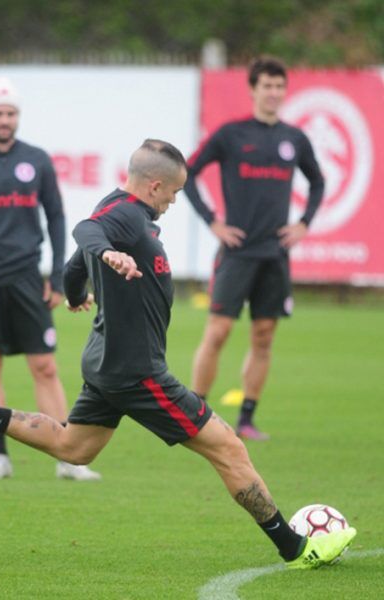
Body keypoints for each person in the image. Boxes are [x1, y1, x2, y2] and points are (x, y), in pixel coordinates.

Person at [0, 139, 354, 569]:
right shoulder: (123, 214)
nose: (175, 202)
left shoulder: (123, 210)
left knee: (74, 448)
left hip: (108, 361)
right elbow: (84, 233)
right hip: (138, 371)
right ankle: (295, 548)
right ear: (154, 186)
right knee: (228, 448)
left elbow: (72, 266)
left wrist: (74, 293)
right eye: (176, 193)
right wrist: (107, 254)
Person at [0, 76, 100, 481]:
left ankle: (68, 458)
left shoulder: (37, 160)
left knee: (44, 366)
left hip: (28, 277)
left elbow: (58, 218)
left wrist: (61, 276)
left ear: (18, 115)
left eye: (11, 112)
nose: (5, 119)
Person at [184, 56, 325, 440]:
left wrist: (304, 223)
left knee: (263, 336)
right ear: (253, 89)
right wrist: (213, 222)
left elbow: (318, 182)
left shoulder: (294, 138)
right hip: (237, 252)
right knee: (218, 332)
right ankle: (195, 414)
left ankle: (246, 418)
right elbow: (188, 171)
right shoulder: (230, 134)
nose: (274, 93)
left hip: (275, 254)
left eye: (280, 86)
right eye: (267, 85)